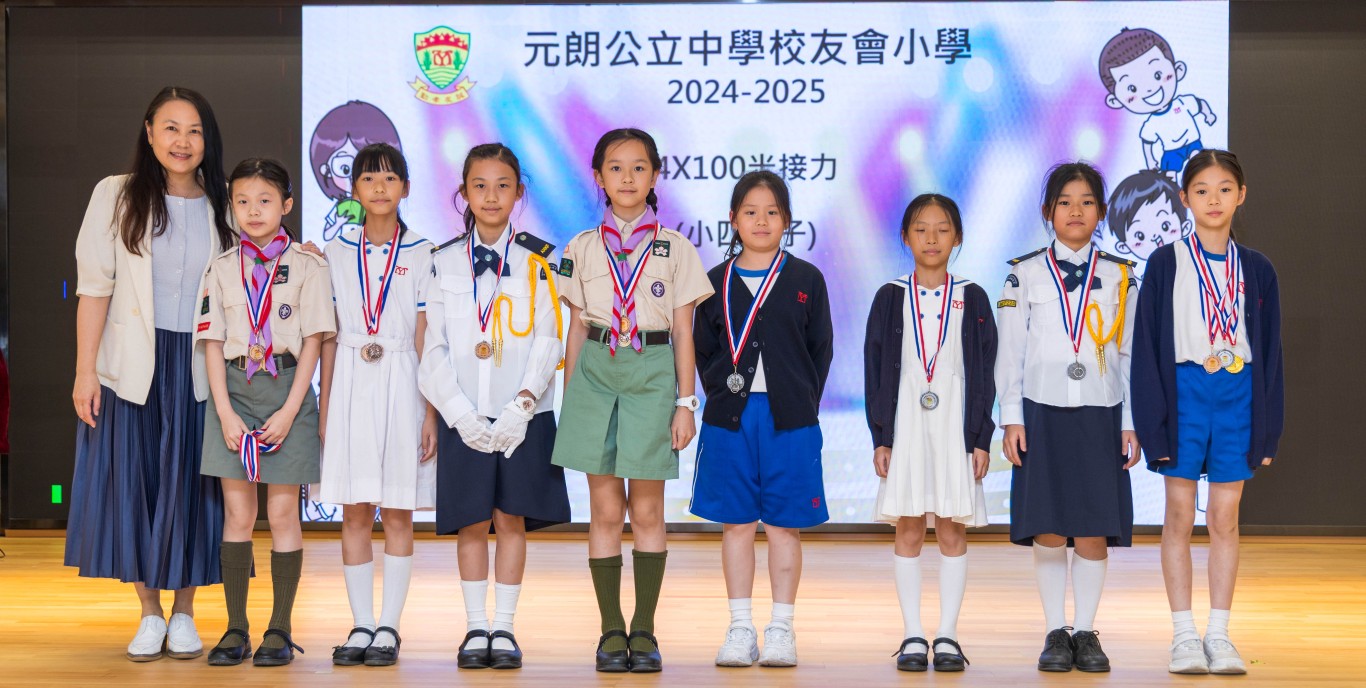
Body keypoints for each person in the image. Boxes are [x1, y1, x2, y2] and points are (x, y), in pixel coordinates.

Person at [67, 86, 235, 662]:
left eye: (194, 130)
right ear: (149, 132)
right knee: (135, 485)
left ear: (207, 139)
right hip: (131, 365)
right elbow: (94, 289)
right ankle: (149, 612)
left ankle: (185, 611)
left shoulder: (225, 202)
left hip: (200, 366)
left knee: (195, 487)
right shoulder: (115, 195)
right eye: (171, 128)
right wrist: (85, 371)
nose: (182, 141)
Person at [551, 128, 713, 673]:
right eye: (615, 168)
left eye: (639, 167)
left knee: (646, 509)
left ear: (655, 175)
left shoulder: (676, 247)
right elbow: (576, 328)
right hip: (595, 373)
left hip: (652, 371)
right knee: (603, 510)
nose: (627, 177)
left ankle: (643, 629)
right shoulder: (580, 247)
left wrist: (686, 403)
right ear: (598, 177)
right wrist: (571, 399)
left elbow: (685, 332)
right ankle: (609, 630)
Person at [1131, 149, 1283, 675]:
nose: (1213, 199)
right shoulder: (1165, 262)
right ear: (1184, 198)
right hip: (1185, 393)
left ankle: (1219, 634)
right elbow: (1147, 349)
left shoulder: (1257, 269)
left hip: (1238, 394)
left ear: (1241, 195)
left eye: (1224, 189)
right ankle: (1183, 635)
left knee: (1224, 517)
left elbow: (1272, 355)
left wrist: (1269, 429)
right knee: (1178, 514)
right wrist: (1152, 425)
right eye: (1201, 190)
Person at [419, 143, 571, 670]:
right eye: (479, 186)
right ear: (463, 192)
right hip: (464, 414)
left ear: (519, 193)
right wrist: (458, 413)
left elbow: (550, 337)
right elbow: (432, 346)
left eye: (502, 185)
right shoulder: (441, 261)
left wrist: (522, 405)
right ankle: (474, 627)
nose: (491, 196)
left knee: (510, 519)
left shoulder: (541, 260)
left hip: (522, 416)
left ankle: (503, 628)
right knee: (470, 522)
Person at [996, 162, 1141, 672]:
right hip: (1041, 411)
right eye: (1064, 202)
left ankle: (1086, 631)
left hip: (1102, 413)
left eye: (1086, 202)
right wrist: (1011, 417)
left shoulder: (1122, 276)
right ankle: (1055, 630)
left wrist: (1131, 421)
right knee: (1049, 526)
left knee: (1094, 525)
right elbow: (1009, 353)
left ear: (1101, 211)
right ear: (1047, 211)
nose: (1075, 211)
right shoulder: (1024, 274)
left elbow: (1130, 354)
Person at [691, 171, 833, 668]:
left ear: (787, 221)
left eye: (772, 212)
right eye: (750, 212)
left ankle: (781, 629)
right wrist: (720, 391)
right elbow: (702, 349)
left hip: (789, 421)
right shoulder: (713, 281)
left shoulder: (806, 279)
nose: (761, 221)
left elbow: (820, 350)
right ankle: (739, 627)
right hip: (729, 420)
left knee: (784, 526)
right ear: (733, 219)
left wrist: (800, 401)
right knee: (736, 524)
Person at [196, 158, 334, 666]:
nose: (253, 211)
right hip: (233, 393)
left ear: (287, 205)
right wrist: (225, 412)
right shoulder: (220, 267)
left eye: (265, 200)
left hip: (287, 392)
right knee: (237, 514)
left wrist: (291, 410)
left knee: (281, 514)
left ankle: (279, 629)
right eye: (242, 201)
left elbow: (315, 342)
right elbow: (212, 344)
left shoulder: (309, 265)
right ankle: (235, 628)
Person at [864, 193, 996, 672]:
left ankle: (948, 635)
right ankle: (913, 634)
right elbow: (875, 368)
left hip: (956, 423)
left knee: (953, 527)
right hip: (905, 423)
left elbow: (985, 371)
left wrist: (980, 437)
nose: (932, 238)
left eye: (942, 229)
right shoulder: (889, 295)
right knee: (909, 525)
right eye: (921, 229)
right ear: (905, 237)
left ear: (957, 237)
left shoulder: (974, 296)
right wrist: (881, 436)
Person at [318, 142, 438, 667]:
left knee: (398, 509)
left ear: (406, 188)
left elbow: (426, 336)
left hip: (404, 378)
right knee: (354, 509)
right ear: (354, 189)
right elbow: (328, 334)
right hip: (349, 378)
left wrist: (430, 411)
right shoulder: (335, 250)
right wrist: (324, 405)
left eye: (390, 178)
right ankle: (361, 622)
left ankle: (389, 625)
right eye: (369, 178)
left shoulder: (424, 252)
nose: (380, 187)